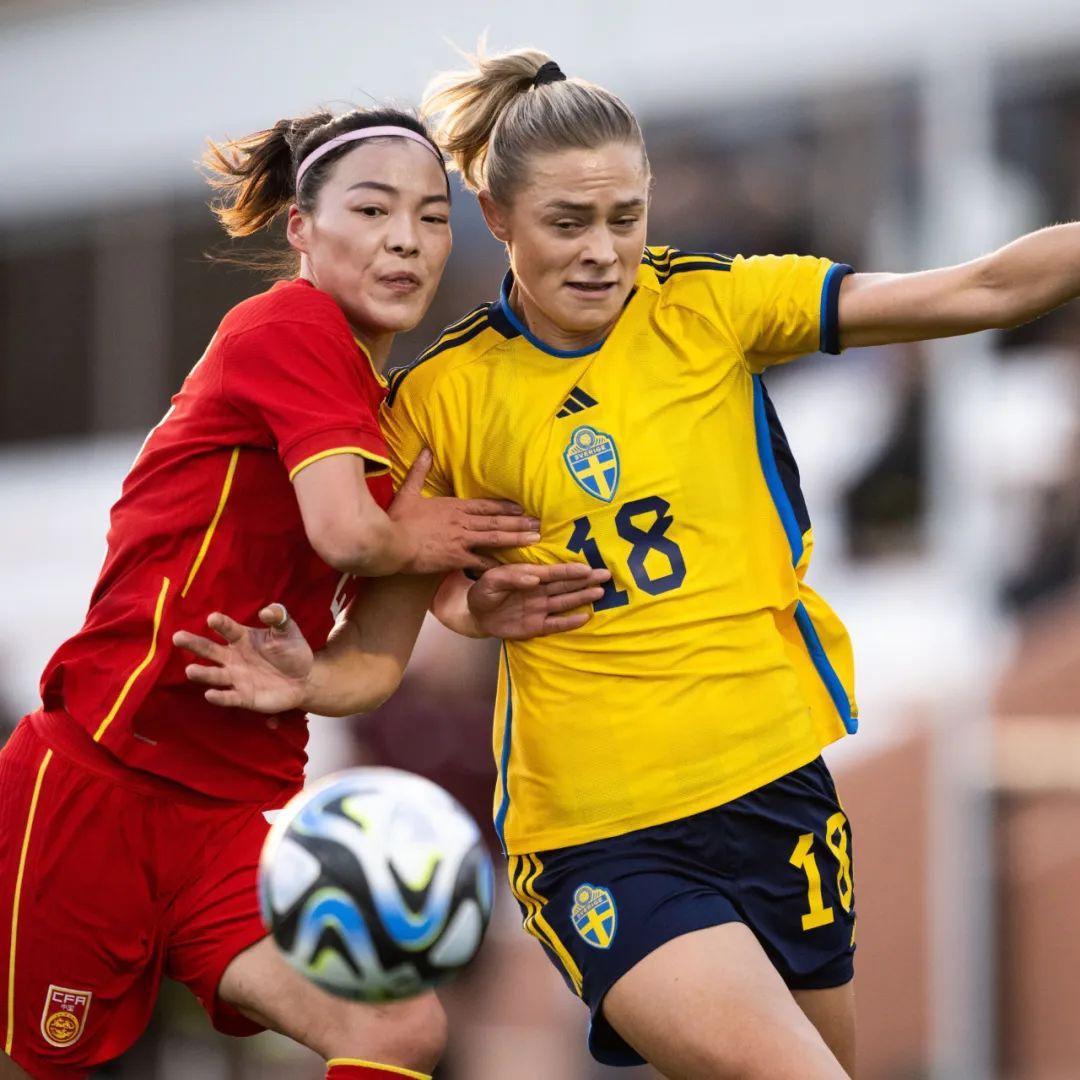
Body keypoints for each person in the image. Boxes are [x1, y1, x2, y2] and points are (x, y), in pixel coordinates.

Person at [178, 49, 1080, 1080]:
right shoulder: (441, 399)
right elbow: (381, 651)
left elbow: (982, 287)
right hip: (601, 833)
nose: (604, 252)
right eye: (569, 222)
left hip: (779, 789)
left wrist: (469, 605)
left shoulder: (714, 307)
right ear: (497, 214)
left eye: (626, 216)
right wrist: (322, 673)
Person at [0, 104, 608, 1080]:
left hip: (223, 820)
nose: (405, 239)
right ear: (301, 229)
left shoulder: (405, 424)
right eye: (372, 210)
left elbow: (372, 664)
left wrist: (306, 679)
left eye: (431, 217)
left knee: (398, 1032)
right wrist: (434, 538)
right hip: (99, 785)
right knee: (44, 1067)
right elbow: (348, 534)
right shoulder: (288, 325)